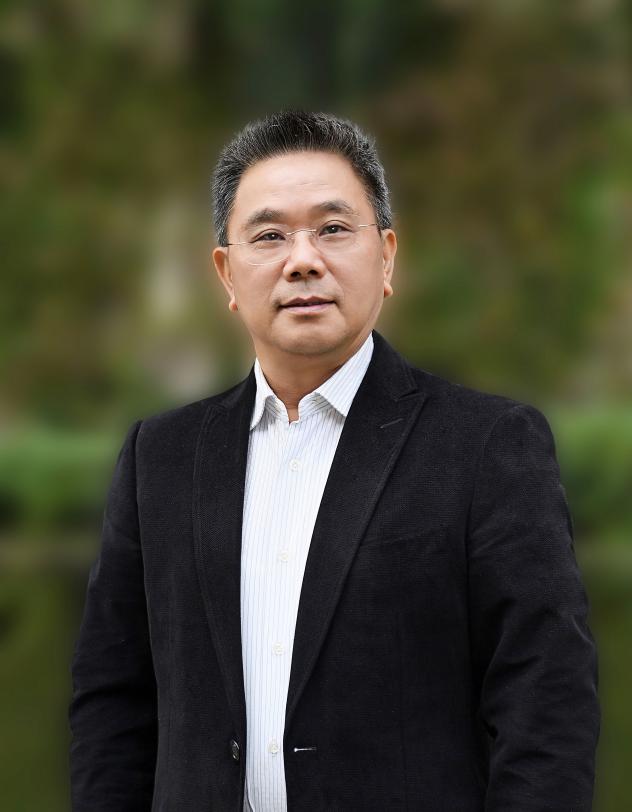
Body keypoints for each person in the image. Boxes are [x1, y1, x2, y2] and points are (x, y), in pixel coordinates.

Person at [68, 110, 601, 811]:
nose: (303, 260)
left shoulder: (485, 446)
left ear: (386, 257)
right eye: (269, 235)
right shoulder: (159, 457)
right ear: (226, 273)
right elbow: (113, 701)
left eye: (333, 228)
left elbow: (546, 698)